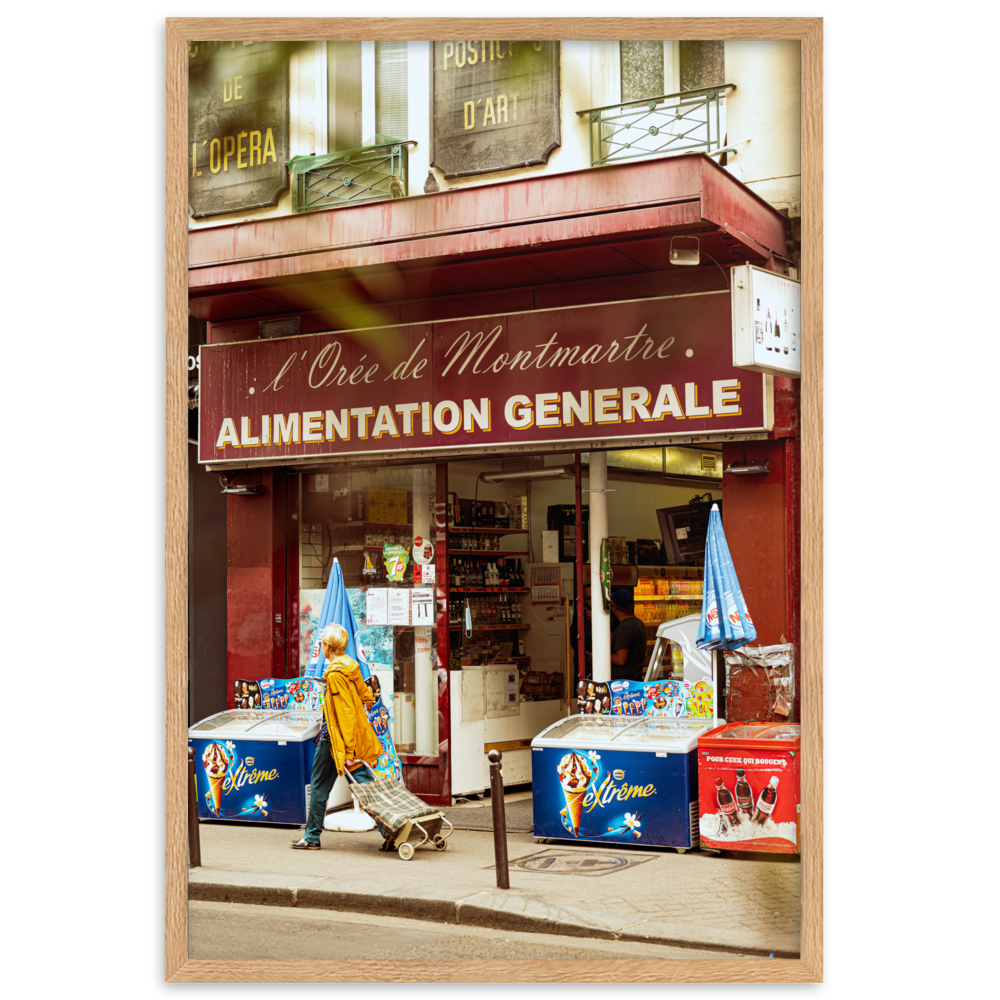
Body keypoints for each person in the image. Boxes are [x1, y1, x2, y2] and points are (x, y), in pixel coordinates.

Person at [291, 624, 385, 849]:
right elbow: (367, 697)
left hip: (335, 741)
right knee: (367, 787)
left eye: (322, 642)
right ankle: (390, 830)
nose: (321, 645)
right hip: (347, 739)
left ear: (327, 646)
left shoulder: (335, 674)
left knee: (319, 787)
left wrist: (349, 752)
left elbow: (345, 715)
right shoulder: (351, 667)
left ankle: (312, 837)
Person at [609, 588, 647, 682]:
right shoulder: (638, 623)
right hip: (634, 679)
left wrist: (599, 656)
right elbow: (622, 640)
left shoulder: (624, 628)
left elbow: (620, 660)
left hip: (622, 683)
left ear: (615, 606)